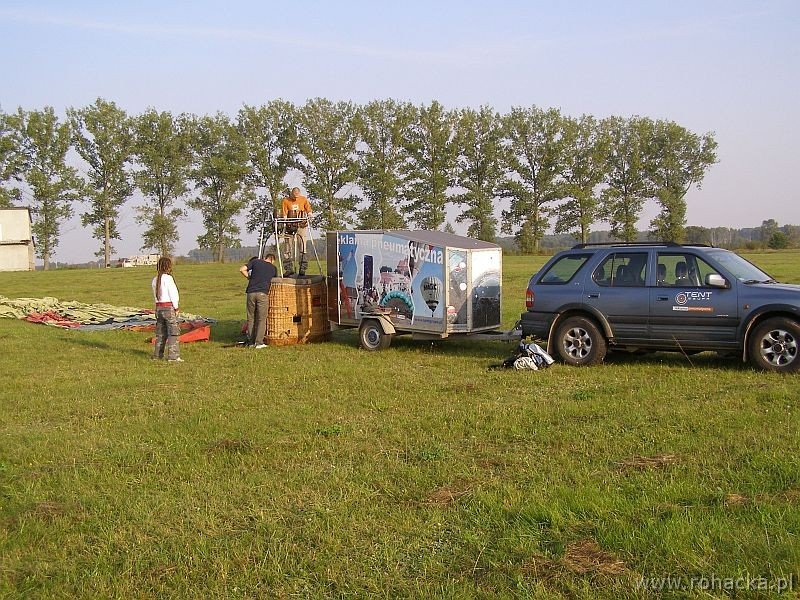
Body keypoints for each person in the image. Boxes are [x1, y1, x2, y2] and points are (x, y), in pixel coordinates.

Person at [239, 253, 278, 348]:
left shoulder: (255, 262)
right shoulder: (273, 268)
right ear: (272, 260)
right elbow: (275, 281)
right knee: (261, 318)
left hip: (250, 293)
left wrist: (249, 277)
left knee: (251, 318)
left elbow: (242, 269)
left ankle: (251, 341)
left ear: (264, 258)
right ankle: (259, 342)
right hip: (262, 294)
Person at [152, 256, 182, 362]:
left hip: (158, 308)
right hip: (168, 308)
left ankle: (157, 356)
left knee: (160, 334)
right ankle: (173, 356)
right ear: (168, 266)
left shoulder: (155, 279)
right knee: (173, 333)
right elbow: (173, 294)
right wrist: (176, 308)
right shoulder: (168, 278)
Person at [281, 187, 313, 277]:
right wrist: (285, 223)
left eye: (297, 196)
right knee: (287, 247)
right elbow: (284, 214)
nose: (295, 198)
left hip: (301, 226)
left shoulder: (303, 199)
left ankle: (302, 268)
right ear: (291, 194)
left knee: (303, 246)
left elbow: (308, 209)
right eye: (294, 196)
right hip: (290, 226)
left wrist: (310, 215)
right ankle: (288, 269)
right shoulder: (286, 201)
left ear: (299, 194)